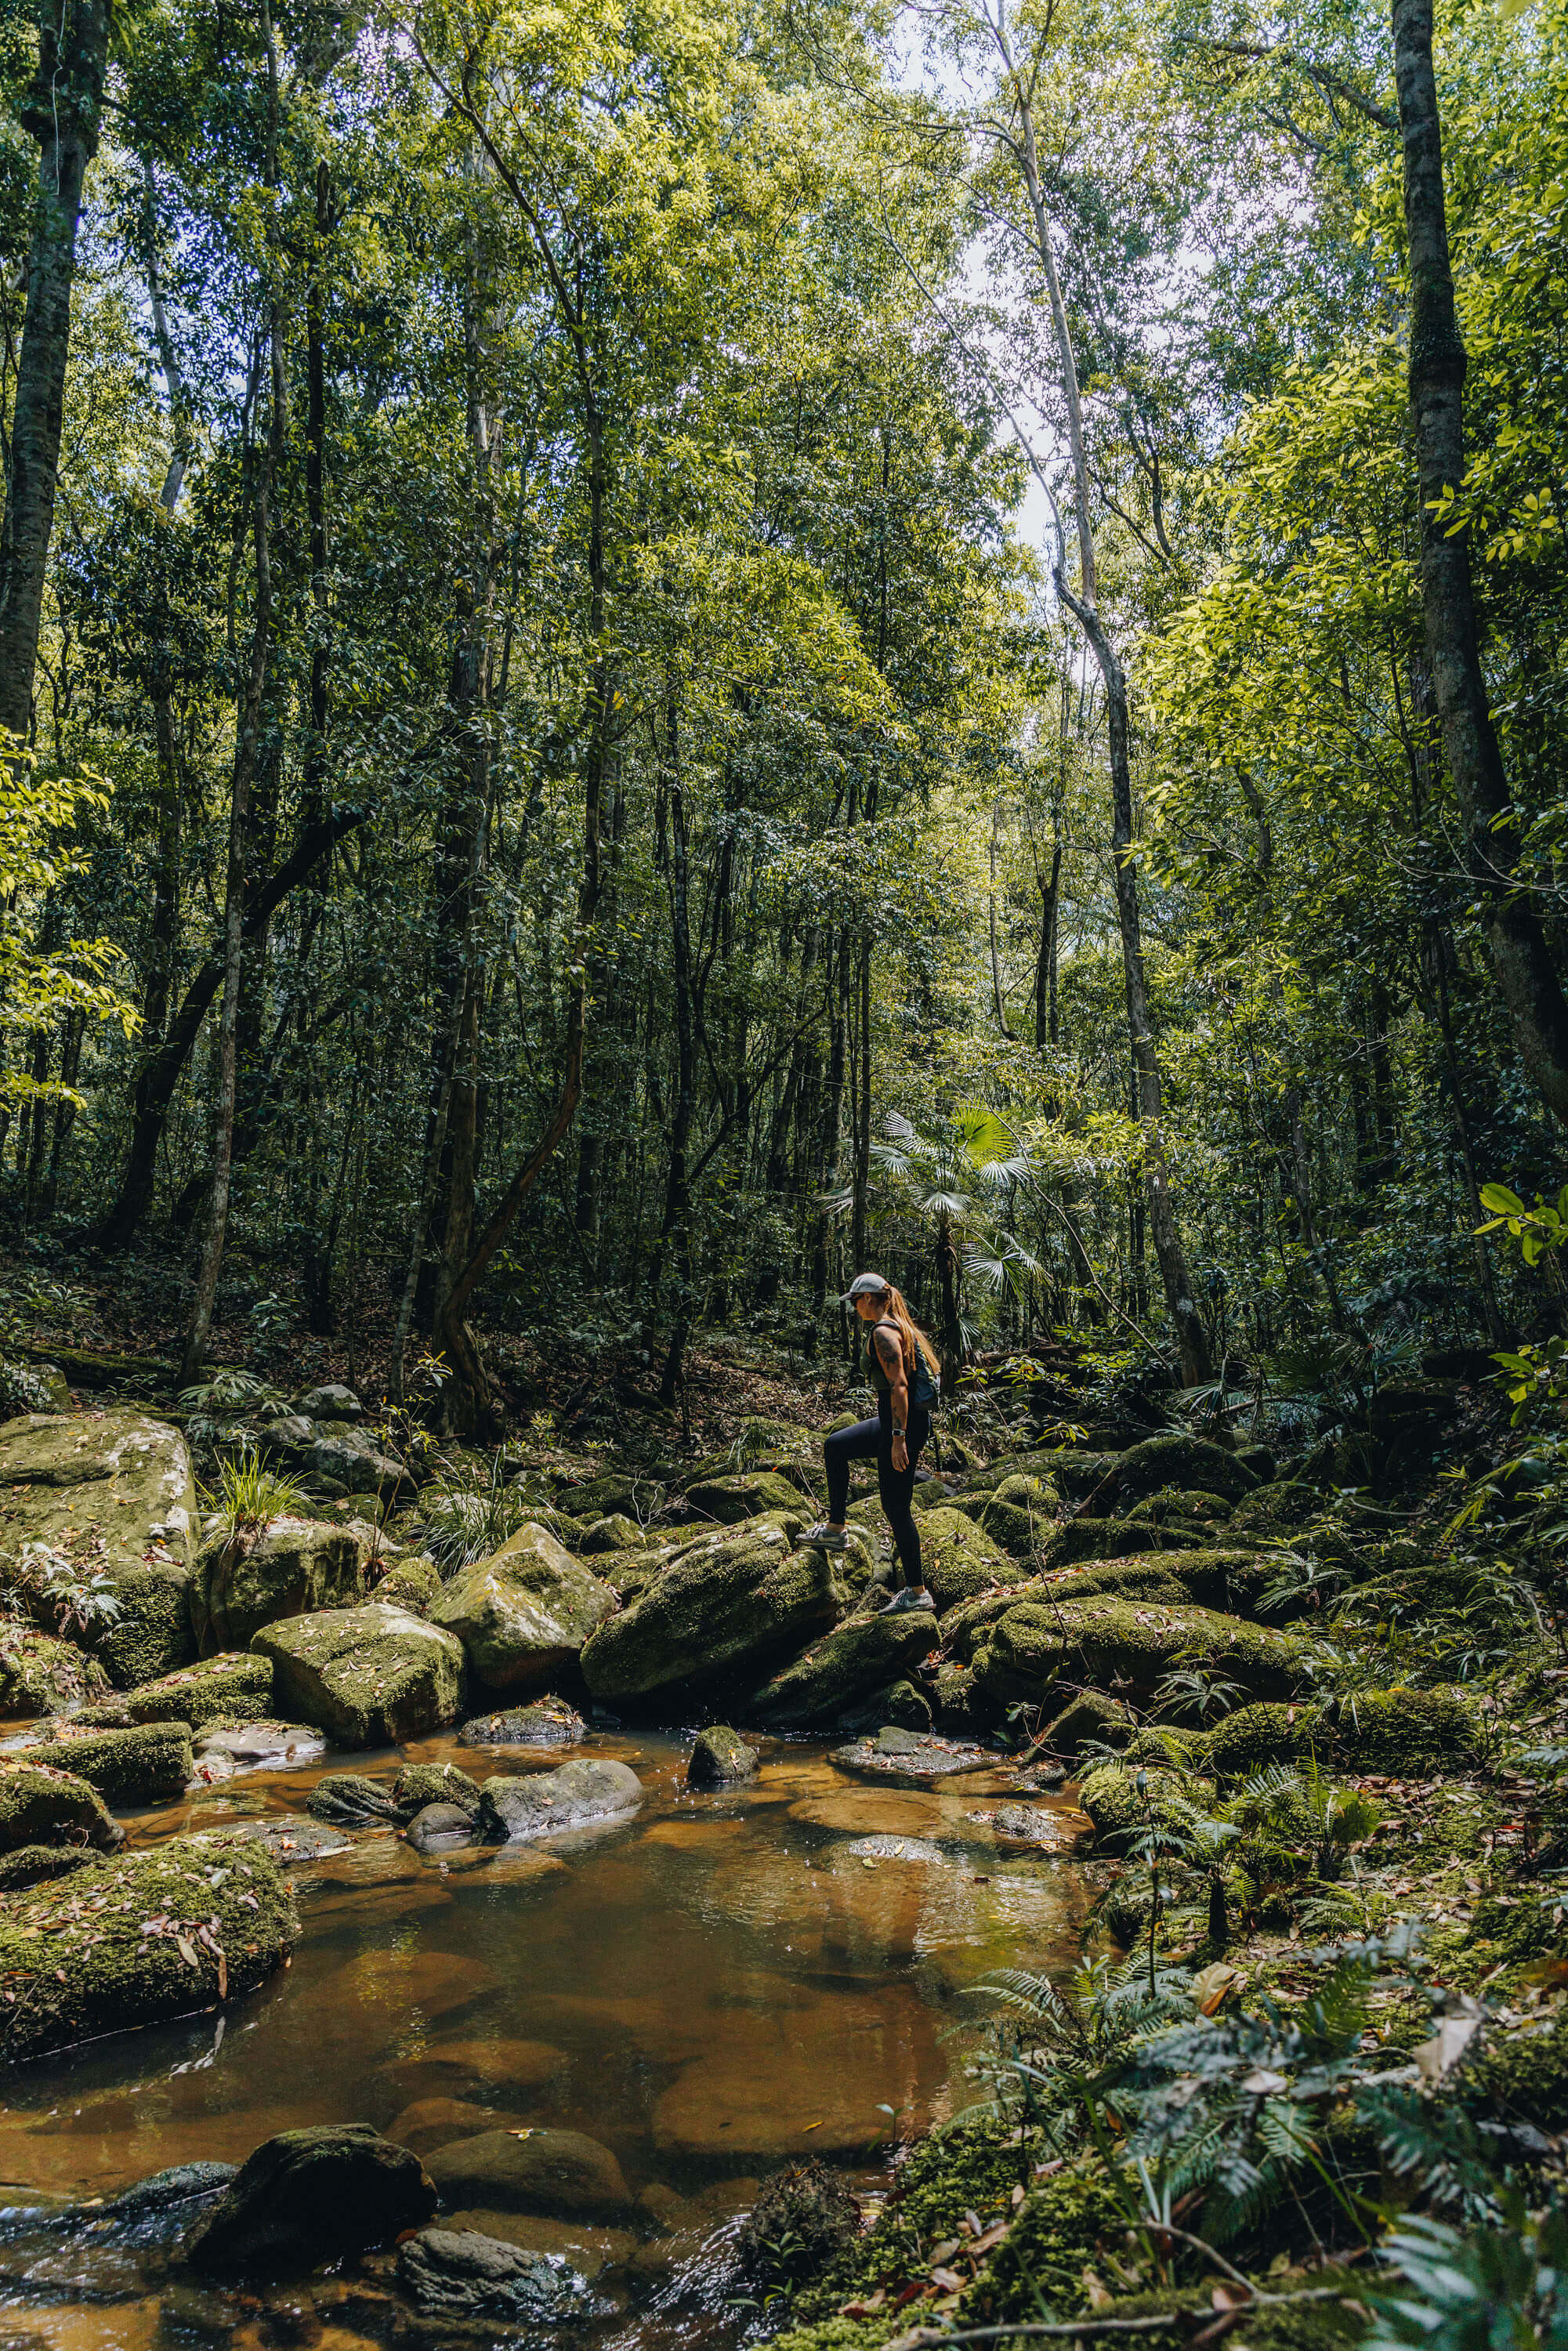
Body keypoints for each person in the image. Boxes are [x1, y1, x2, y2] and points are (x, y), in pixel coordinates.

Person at [806, 1272, 941, 1614]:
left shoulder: (884, 1331)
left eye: (855, 1300)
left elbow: (899, 1387)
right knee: (836, 1444)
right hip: (893, 1423)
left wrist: (898, 1439)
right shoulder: (899, 1327)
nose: (853, 1306)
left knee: (896, 1509)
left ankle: (916, 1592)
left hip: (901, 1427)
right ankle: (836, 1529)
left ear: (868, 1298)